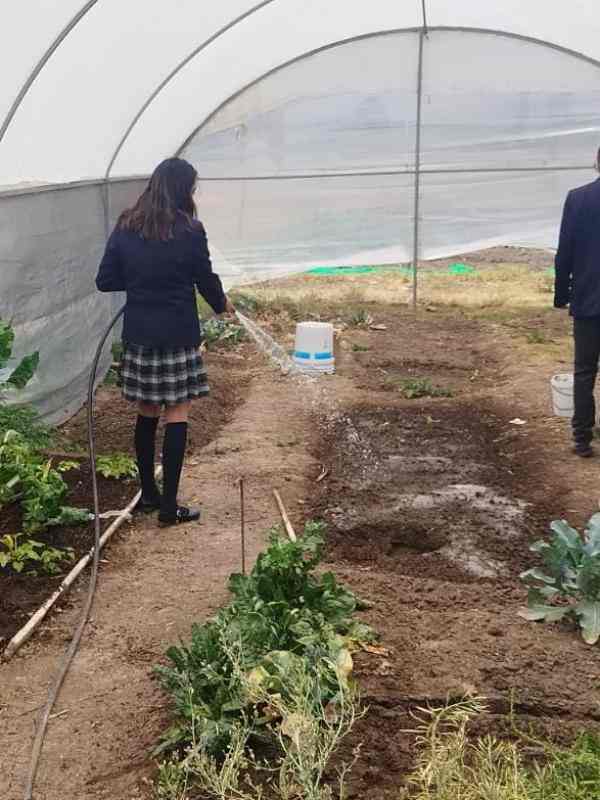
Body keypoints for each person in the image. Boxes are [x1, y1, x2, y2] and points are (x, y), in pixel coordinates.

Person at [96, 157, 235, 524]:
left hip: (140, 333)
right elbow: (204, 277)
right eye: (191, 188)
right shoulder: (190, 229)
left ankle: (149, 496)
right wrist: (221, 304)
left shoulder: (127, 225)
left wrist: (143, 281)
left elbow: (105, 280)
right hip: (177, 334)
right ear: (182, 189)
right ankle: (169, 508)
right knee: (177, 414)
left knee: (146, 412)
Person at [555, 148, 600, 458]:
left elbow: (565, 251)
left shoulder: (578, 198)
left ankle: (582, 438)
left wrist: (562, 293)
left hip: (587, 298)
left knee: (584, 370)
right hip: (588, 297)